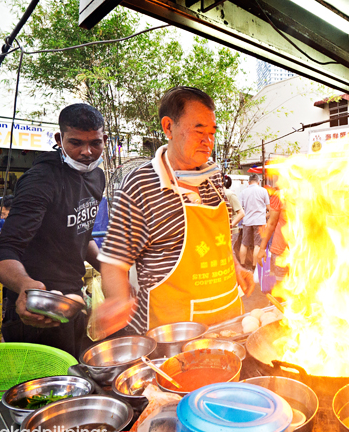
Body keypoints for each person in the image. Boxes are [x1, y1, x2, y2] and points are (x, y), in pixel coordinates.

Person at [92, 86, 254, 338]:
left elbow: (218, 240)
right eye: (199, 130)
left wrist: (236, 268)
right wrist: (117, 300)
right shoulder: (141, 184)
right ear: (168, 127)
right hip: (171, 338)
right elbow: (115, 260)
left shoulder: (212, 177)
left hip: (229, 326)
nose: (208, 140)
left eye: (212, 132)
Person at [0, 103, 107, 357]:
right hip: (36, 309)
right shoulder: (41, 180)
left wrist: (112, 270)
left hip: (74, 300)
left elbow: (80, 232)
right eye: (76, 143)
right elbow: (4, 251)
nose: (86, 152)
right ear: (59, 139)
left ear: (104, 139)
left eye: (95, 143)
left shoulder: (97, 176)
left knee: (74, 377)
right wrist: (25, 285)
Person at [256, 189, 289, 293]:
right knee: (281, 291)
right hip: (282, 252)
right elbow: (271, 224)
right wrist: (262, 248)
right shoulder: (280, 195)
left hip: (303, 255)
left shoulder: (312, 192)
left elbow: (271, 224)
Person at [239, 174, 270, 269]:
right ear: (259, 181)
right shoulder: (263, 191)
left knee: (244, 244)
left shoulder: (243, 192)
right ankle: (255, 267)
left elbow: (240, 208)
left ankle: (242, 265)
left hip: (247, 221)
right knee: (257, 245)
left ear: (248, 182)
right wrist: (265, 216)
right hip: (260, 222)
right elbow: (269, 208)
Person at [224, 175, 245, 256]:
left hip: (231, 231)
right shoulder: (219, 194)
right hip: (223, 230)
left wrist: (229, 226)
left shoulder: (229, 194)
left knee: (228, 252)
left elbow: (241, 213)